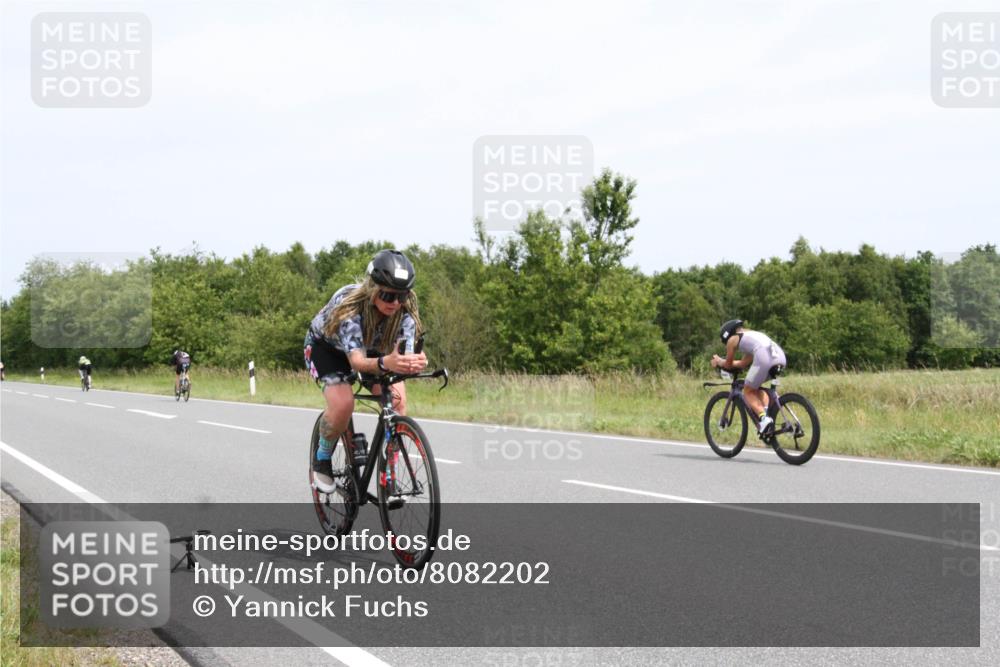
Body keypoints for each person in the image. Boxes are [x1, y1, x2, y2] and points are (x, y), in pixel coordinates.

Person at [304, 249, 427, 492]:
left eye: (401, 296)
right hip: (328, 350)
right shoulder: (350, 309)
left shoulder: (405, 313)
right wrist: (386, 363)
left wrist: (414, 362)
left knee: (398, 400)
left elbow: (403, 356)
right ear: (372, 288)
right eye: (388, 295)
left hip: (372, 352)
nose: (395, 303)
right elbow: (357, 362)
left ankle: (388, 471)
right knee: (343, 404)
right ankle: (323, 456)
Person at [711, 319, 787, 434]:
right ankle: (765, 415)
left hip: (764, 358)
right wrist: (726, 362)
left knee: (747, 391)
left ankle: (764, 419)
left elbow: (728, 364)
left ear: (727, 335)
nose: (727, 345)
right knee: (755, 388)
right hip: (780, 357)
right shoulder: (752, 336)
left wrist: (718, 361)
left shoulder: (732, 339)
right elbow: (742, 364)